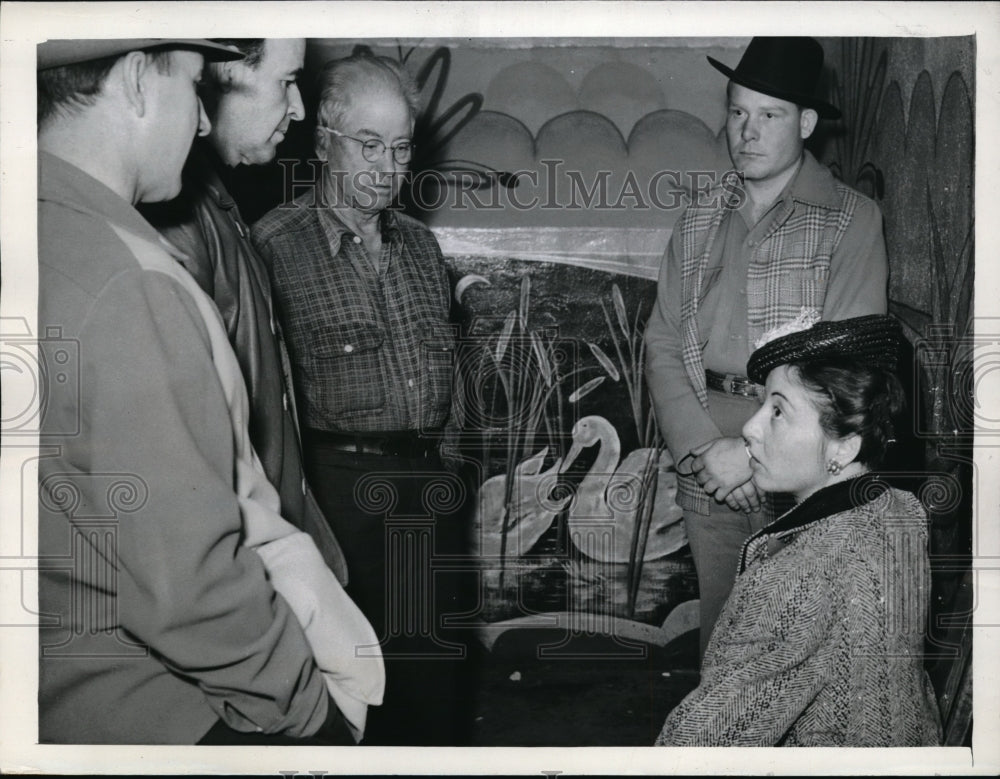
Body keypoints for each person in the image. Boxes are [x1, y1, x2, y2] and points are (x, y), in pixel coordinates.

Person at [37, 38, 381, 745]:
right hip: (155, 705)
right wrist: (307, 714)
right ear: (136, 81)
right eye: (194, 85)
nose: (200, 122)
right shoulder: (132, 279)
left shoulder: (42, 229)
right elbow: (191, 587)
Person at [644, 36, 889, 657]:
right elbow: (663, 340)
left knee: (803, 650)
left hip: (801, 469)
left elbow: (847, 366)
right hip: (708, 463)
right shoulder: (698, 218)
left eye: (769, 115)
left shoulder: (849, 219)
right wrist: (704, 450)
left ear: (806, 123)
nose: (746, 132)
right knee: (723, 648)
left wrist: (754, 456)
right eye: (737, 112)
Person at [252, 51, 471, 745]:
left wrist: (452, 467)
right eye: (369, 145)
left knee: (432, 684)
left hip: (428, 488)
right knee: (351, 690)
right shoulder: (273, 249)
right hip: (334, 494)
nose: (388, 166)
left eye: (400, 148)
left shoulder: (421, 247)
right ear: (323, 140)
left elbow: (450, 372)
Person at [656, 315, 942, 746]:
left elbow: (701, 743)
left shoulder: (798, 575)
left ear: (845, 447)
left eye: (777, 411)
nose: (750, 429)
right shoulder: (901, 512)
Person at [141, 39, 348, 580]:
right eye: (286, 82)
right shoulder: (179, 220)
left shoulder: (215, 204)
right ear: (214, 78)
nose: (299, 108)